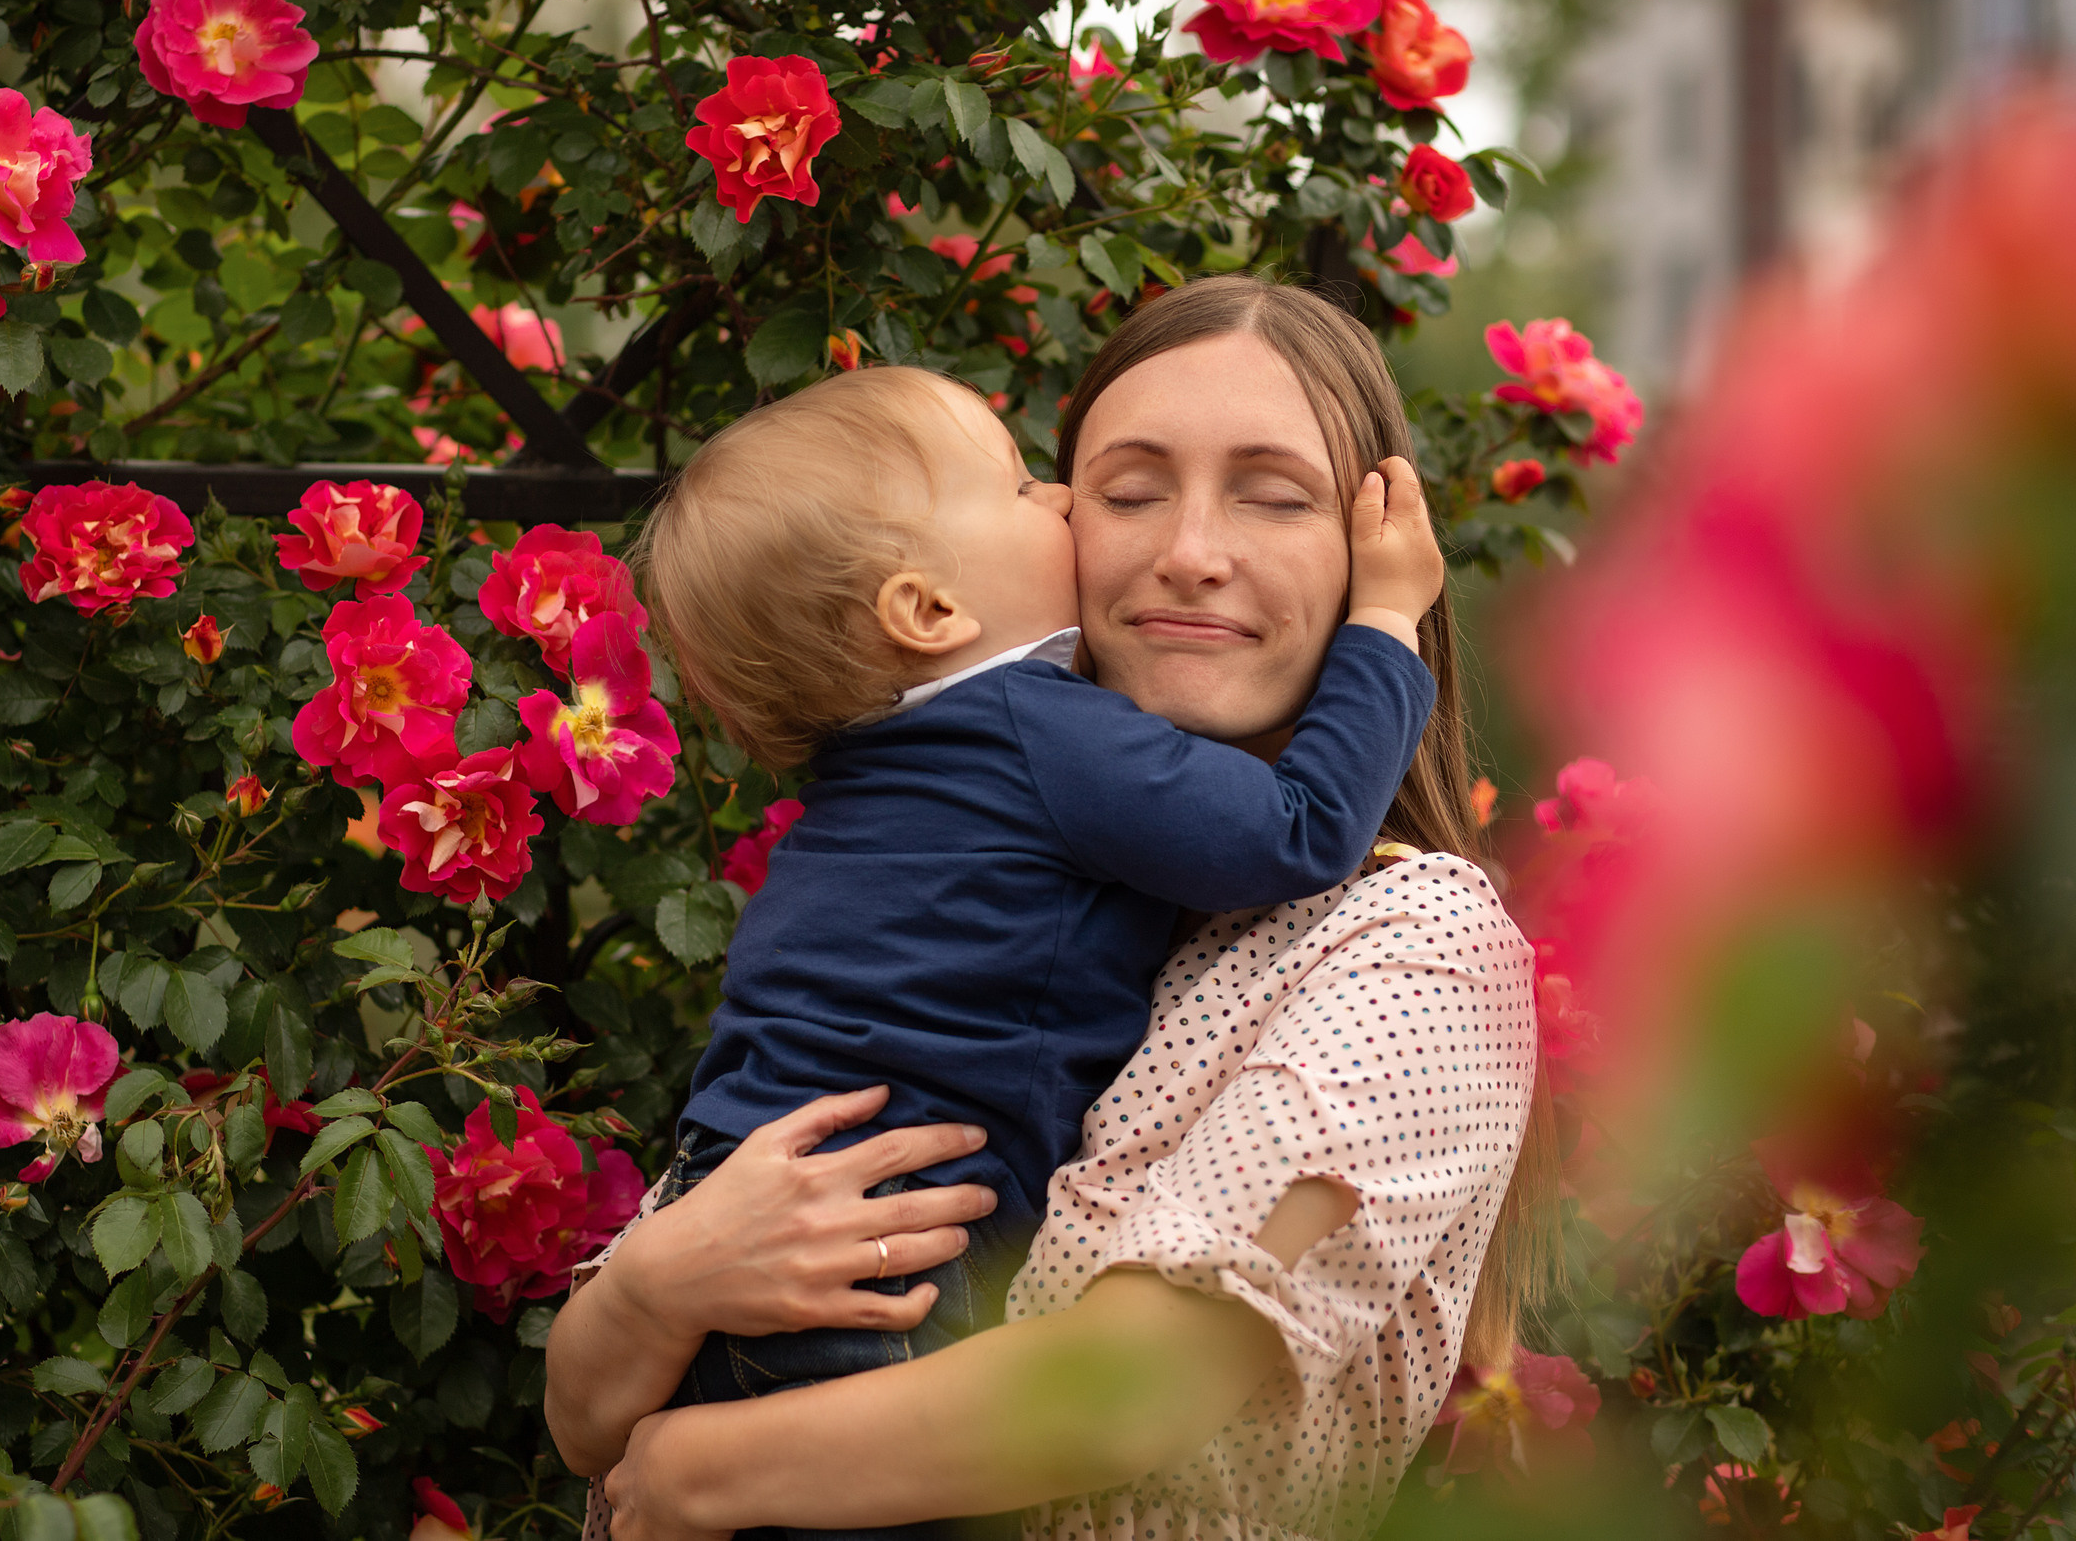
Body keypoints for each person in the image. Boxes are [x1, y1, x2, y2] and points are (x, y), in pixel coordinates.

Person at [545, 274, 1549, 1541]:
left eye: (1274, 494)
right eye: (1119, 492)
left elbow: (1133, 1391)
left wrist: (697, 1472)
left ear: (1377, 549)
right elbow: (582, 1415)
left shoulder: (1415, 958)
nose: (1187, 549)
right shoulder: (969, 871)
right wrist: (652, 1286)